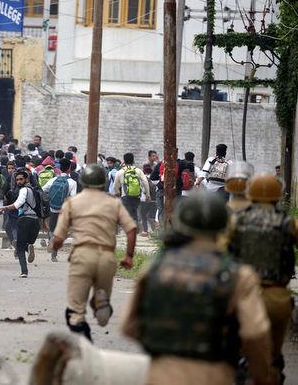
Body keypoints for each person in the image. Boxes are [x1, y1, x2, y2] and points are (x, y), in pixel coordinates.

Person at [121, 191, 276, 385]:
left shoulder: (156, 266)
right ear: (224, 225)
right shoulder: (239, 275)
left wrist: (163, 345)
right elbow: (255, 333)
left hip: (160, 374)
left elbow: (128, 325)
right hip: (214, 374)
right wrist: (262, 375)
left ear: (180, 222)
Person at [49, 164, 136, 342]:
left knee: (76, 311)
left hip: (82, 256)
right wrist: (128, 256)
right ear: (103, 182)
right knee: (101, 293)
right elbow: (131, 230)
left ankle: (84, 345)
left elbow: (58, 237)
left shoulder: (72, 203)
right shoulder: (114, 203)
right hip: (107, 257)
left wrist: (54, 247)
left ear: (83, 182)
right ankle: (100, 302)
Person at [226, 174, 296, 382]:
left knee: (235, 350)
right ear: (278, 195)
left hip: (243, 298)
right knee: (273, 355)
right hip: (277, 298)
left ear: (250, 193)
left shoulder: (236, 220)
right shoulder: (287, 222)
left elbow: (220, 251)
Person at [0, 170, 41, 278]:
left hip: (24, 220)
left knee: (20, 247)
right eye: (17, 179)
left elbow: (18, 204)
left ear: (26, 179)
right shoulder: (35, 191)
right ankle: (29, 246)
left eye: (21, 179)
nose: (18, 181)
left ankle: (24, 271)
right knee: (24, 243)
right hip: (35, 221)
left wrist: (5, 207)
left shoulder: (24, 190)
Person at [42, 158, 77, 262]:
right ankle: (54, 255)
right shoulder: (72, 182)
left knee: (52, 230)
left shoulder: (53, 180)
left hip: (53, 209)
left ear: (59, 168)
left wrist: (48, 199)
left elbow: (43, 190)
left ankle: (51, 243)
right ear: (69, 169)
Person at [114, 153, 150, 227]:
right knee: (134, 212)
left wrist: (117, 192)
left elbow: (115, 185)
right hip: (136, 195)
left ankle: (129, 230)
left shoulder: (120, 172)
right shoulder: (138, 170)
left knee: (127, 213)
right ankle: (135, 226)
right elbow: (145, 182)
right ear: (133, 160)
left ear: (124, 161)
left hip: (125, 196)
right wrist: (147, 194)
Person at [138, 164, 157, 236]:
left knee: (143, 215)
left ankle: (145, 231)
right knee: (151, 217)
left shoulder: (142, 179)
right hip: (154, 200)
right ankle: (155, 231)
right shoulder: (154, 179)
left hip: (144, 200)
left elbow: (142, 190)